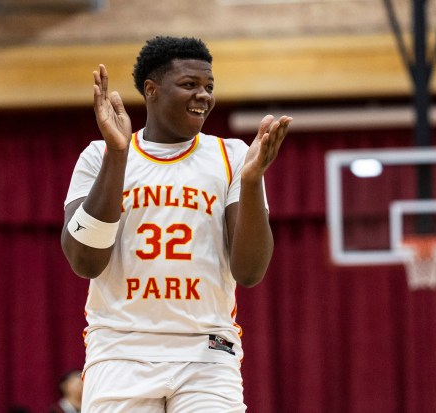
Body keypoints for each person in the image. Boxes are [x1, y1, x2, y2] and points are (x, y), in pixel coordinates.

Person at [60, 35, 292, 412]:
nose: (204, 95)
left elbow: (250, 272)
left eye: (209, 87)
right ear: (151, 90)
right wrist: (118, 156)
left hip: (207, 349)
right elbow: (85, 261)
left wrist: (252, 183)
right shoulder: (99, 155)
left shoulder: (232, 156)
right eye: (190, 85)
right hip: (120, 348)